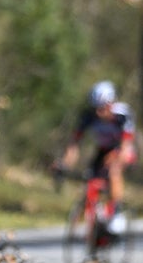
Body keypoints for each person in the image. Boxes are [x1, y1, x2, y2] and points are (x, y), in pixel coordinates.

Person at [56, 80, 136, 237]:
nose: (99, 113)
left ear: (111, 103)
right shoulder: (89, 117)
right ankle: (94, 219)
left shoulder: (122, 115)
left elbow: (126, 145)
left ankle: (116, 212)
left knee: (113, 171)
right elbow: (74, 144)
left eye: (102, 108)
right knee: (90, 180)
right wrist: (64, 164)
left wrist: (116, 158)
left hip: (122, 148)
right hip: (103, 150)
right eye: (96, 108)